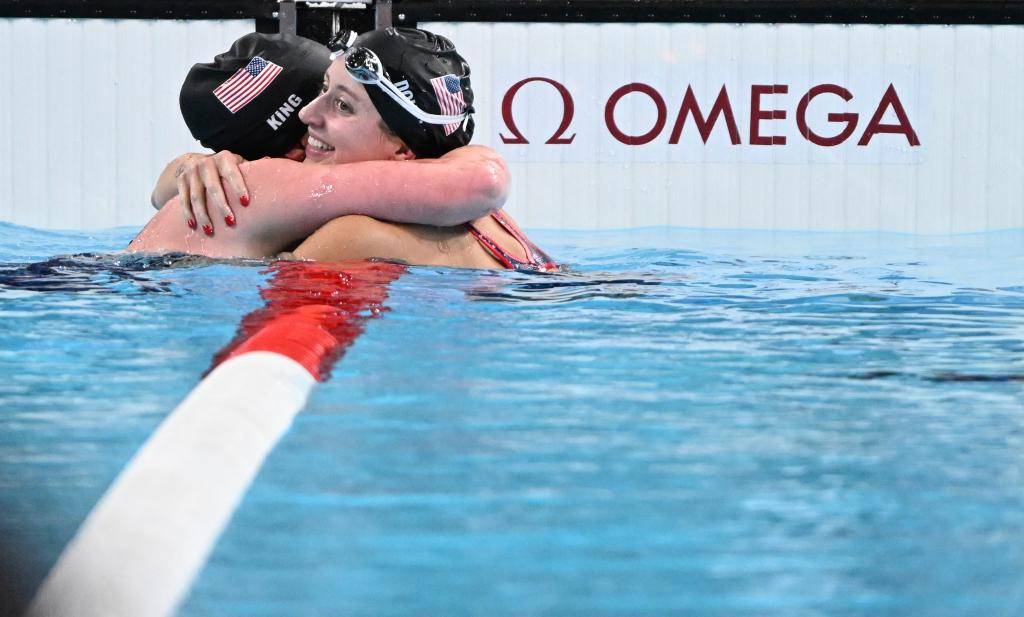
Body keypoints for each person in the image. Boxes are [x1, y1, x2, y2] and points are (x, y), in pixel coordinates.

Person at [131, 28, 555, 271]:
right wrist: (191, 166)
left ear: (404, 150)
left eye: (342, 104)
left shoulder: (351, 234)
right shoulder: (494, 221)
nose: (308, 118)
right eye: (322, 91)